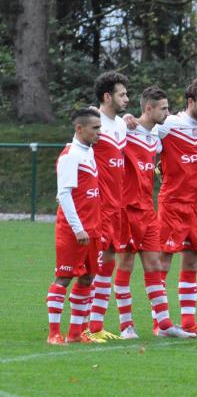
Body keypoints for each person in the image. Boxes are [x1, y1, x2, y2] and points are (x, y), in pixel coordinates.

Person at [115, 86, 196, 339]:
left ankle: (164, 325)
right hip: (126, 209)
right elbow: (100, 121)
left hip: (147, 210)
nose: (167, 113)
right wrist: (124, 118)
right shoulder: (125, 130)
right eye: (163, 109)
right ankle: (126, 326)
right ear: (148, 109)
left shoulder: (156, 138)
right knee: (126, 264)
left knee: (154, 265)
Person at [154, 77, 197, 335]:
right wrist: (128, 120)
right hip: (172, 203)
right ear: (191, 101)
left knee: (191, 262)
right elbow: (143, 128)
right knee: (163, 262)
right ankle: (160, 323)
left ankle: (189, 322)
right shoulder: (168, 124)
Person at [46, 108, 104, 345]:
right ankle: (53, 333)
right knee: (64, 277)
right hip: (73, 230)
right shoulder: (70, 156)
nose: (99, 132)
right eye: (95, 128)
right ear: (79, 129)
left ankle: (75, 333)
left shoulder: (88, 152)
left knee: (88, 277)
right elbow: (64, 195)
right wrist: (78, 228)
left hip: (93, 228)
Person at [87, 71, 129, 340]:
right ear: (107, 96)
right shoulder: (92, 121)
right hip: (98, 205)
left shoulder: (122, 124)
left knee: (108, 264)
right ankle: (82, 326)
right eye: (122, 94)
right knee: (91, 265)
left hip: (117, 205)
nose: (127, 98)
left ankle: (97, 325)